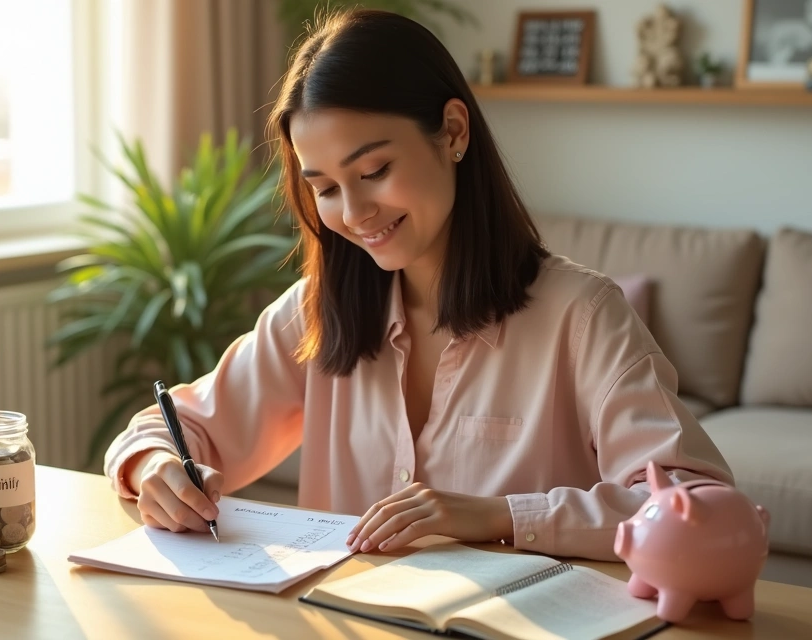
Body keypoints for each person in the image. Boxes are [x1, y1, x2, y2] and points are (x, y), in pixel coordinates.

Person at [103, 8, 732, 562]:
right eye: (323, 187)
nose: (353, 212)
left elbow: (694, 506)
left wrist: (499, 515)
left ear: (454, 132)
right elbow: (173, 429)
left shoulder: (582, 316)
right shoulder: (318, 314)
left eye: (374, 170)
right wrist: (155, 466)